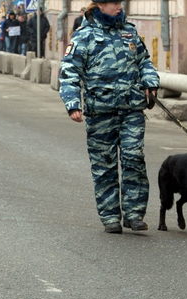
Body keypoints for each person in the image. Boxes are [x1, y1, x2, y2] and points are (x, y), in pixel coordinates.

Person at [59, 0, 159, 233]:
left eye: (120, 2)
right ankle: (110, 216)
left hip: (131, 108)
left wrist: (151, 81)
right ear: (100, 5)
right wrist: (73, 103)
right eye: (114, 3)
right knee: (104, 165)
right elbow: (69, 72)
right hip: (100, 111)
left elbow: (144, 61)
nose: (119, 7)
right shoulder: (84, 35)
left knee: (134, 157)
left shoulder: (129, 31)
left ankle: (134, 214)